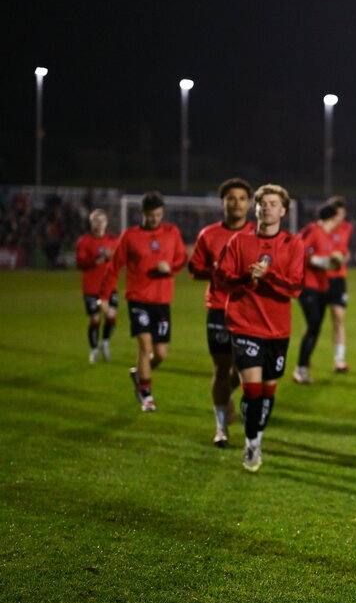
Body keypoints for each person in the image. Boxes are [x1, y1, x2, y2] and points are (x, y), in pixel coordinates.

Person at [216, 184, 304, 472]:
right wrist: (246, 277)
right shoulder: (239, 242)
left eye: (272, 203)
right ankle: (252, 443)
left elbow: (295, 287)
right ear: (256, 209)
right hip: (244, 324)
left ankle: (257, 434)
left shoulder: (293, 244)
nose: (266, 207)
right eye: (262, 203)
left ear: (283, 210)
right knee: (252, 390)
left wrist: (268, 276)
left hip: (277, 329)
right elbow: (222, 279)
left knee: (267, 392)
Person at [101, 192, 186, 412]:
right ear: (142, 214)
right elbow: (113, 267)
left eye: (158, 215)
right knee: (144, 345)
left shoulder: (172, 233)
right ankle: (146, 395)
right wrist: (104, 297)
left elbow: (181, 259)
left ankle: (139, 375)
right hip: (138, 299)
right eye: (150, 216)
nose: (154, 219)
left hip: (162, 300)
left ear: (162, 213)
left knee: (160, 354)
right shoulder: (130, 236)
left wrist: (171, 267)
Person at [188, 177, 256, 446]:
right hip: (218, 308)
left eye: (241, 198)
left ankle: (227, 395)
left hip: (249, 310)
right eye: (231, 198)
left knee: (243, 370)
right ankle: (220, 429)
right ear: (222, 203)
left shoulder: (257, 235)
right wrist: (215, 272)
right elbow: (195, 269)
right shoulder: (208, 235)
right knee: (221, 366)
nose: (236, 203)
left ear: (249, 204)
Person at [292, 204, 345, 384]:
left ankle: (303, 366)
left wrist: (332, 262)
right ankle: (300, 369)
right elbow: (301, 252)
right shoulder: (313, 231)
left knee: (315, 328)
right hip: (308, 286)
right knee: (313, 326)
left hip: (321, 286)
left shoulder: (326, 235)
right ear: (332, 219)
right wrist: (327, 262)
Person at [75, 209, 118, 364]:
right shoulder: (84, 241)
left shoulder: (113, 240)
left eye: (102, 221)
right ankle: (93, 350)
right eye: (96, 221)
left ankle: (105, 343)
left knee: (111, 315)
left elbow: (120, 261)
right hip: (91, 287)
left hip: (110, 286)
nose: (99, 224)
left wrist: (113, 257)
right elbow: (80, 263)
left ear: (106, 222)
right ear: (91, 222)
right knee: (95, 318)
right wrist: (98, 259)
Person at [324, 196, 353, 373]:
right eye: (336, 214)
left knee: (338, 318)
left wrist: (343, 257)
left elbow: (344, 250)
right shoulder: (320, 228)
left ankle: (339, 360)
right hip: (319, 279)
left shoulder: (346, 228)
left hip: (338, 278)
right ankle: (304, 361)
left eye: (342, 214)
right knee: (315, 323)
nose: (339, 218)